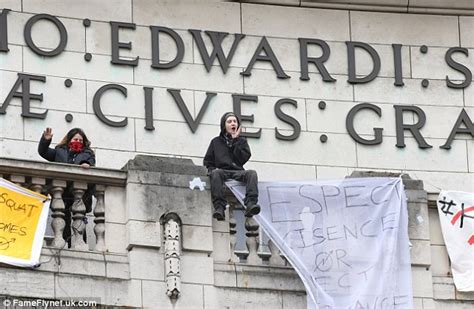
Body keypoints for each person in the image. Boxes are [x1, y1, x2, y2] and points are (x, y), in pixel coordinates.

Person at [38, 127, 96, 247]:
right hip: (62, 192)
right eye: (76, 139)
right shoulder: (60, 151)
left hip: (80, 193)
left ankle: (81, 244)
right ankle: (65, 244)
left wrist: (87, 164)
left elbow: (91, 163)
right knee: (63, 218)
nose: (78, 142)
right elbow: (43, 152)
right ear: (69, 139)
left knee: (79, 220)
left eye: (81, 140)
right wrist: (45, 140)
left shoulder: (88, 153)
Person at [204, 112, 260, 221]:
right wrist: (211, 170)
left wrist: (235, 141)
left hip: (237, 171)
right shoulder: (216, 142)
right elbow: (208, 161)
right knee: (216, 173)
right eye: (229, 121)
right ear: (224, 125)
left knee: (252, 173)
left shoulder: (242, 141)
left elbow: (243, 158)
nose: (233, 123)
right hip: (222, 171)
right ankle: (219, 207)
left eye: (235, 121)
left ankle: (250, 204)